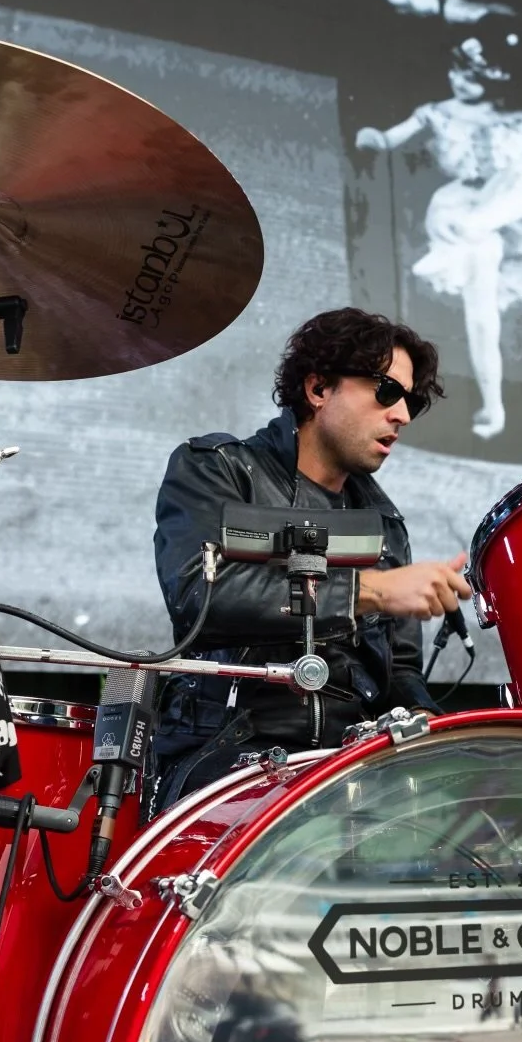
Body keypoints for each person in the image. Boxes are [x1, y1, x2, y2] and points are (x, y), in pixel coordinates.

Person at [148, 308, 472, 812]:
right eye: (387, 391)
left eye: (412, 400)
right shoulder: (219, 469)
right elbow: (199, 598)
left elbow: (401, 673)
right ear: (319, 389)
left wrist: (435, 735)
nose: (402, 415)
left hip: (349, 773)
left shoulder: (385, 521)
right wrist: (371, 592)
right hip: (224, 759)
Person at [356, 32, 522, 440]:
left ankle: (486, 224)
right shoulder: (435, 114)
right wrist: (373, 140)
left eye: (473, 76)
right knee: (481, 304)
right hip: (465, 210)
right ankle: (493, 403)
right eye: (457, 70)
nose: (460, 81)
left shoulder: (519, 123)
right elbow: (389, 137)